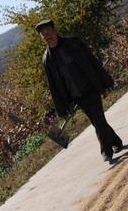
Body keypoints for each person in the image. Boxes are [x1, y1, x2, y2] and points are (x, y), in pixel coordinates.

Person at [36, 19, 122, 163]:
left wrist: (103, 86)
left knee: (99, 121)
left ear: (55, 30)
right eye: (43, 35)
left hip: (91, 88)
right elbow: (55, 86)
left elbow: (92, 61)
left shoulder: (73, 43)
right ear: (41, 38)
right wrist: (65, 106)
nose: (47, 37)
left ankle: (106, 151)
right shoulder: (48, 59)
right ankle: (116, 142)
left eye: (48, 32)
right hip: (77, 96)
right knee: (97, 122)